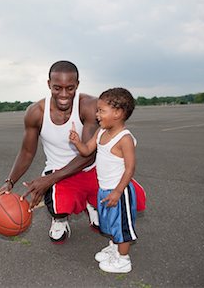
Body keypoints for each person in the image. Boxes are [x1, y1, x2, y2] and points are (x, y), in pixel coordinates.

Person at [0, 60, 100, 243]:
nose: (64, 95)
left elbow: (89, 155)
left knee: (118, 199)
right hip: (57, 169)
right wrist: (9, 182)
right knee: (57, 204)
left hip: (90, 169)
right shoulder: (36, 112)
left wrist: (47, 180)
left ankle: (91, 203)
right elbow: (27, 152)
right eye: (57, 88)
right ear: (49, 84)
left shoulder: (89, 105)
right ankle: (60, 219)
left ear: (78, 85)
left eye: (70, 88)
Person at [69, 87, 137, 273]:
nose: (97, 114)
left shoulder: (125, 139)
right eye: (97, 110)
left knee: (121, 227)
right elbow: (86, 151)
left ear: (117, 113)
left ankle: (123, 260)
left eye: (101, 110)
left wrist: (117, 191)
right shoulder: (100, 132)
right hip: (105, 189)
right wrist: (76, 142)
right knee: (109, 223)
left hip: (119, 191)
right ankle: (114, 249)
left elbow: (130, 168)